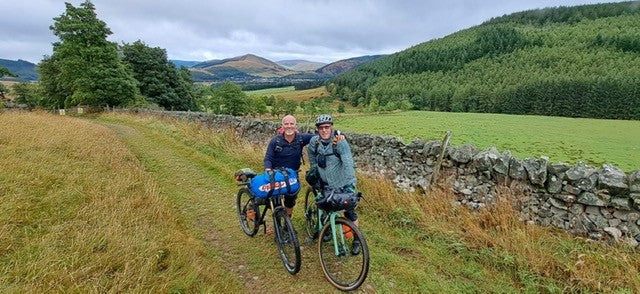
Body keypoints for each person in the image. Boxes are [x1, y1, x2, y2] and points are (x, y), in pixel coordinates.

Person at [307, 114, 362, 255]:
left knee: (349, 212)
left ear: (332, 127)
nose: (324, 130)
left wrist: (351, 185)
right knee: (325, 207)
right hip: (324, 184)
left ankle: (357, 240)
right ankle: (328, 229)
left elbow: (349, 164)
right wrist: (314, 173)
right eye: (321, 128)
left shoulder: (340, 143)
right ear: (317, 129)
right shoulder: (315, 142)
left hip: (342, 183)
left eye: (327, 127)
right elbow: (312, 160)